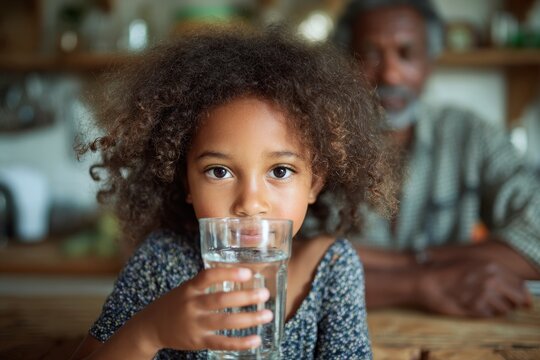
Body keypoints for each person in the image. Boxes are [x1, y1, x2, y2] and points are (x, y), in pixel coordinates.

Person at [71, 26, 396, 359]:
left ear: (313, 183)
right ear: (186, 183)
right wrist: (150, 331)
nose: (250, 203)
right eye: (219, 172)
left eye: (280, 171)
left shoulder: (332, 267)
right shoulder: (161, 260)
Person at [333, 0, 540, 318]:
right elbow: (290, 264)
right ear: (346, 62)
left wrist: (404, 262)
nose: (390, 74)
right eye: (371, 54)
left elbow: (536, 236)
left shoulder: (471, 134)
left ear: (430, 60)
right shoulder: (320, 142)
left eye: (407, 53)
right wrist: (424, 281)